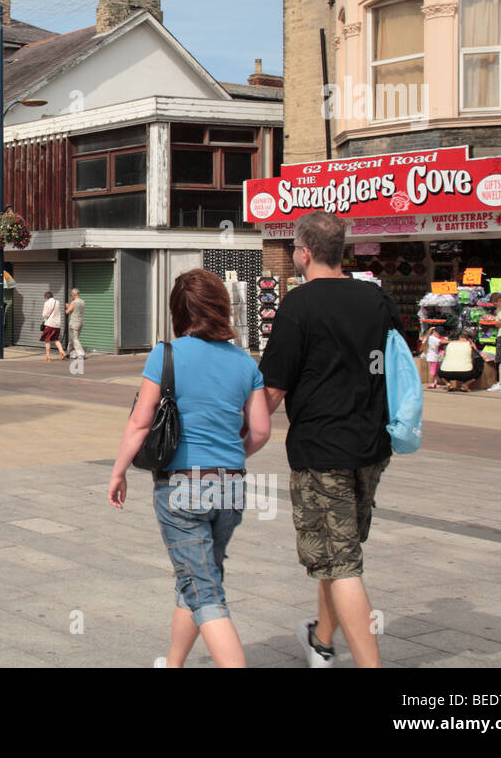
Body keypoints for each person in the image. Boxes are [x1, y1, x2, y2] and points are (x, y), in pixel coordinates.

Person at [108, 268, 270, 668]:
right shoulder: (244, 362)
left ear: (177, 311)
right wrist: (230, 457)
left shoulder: (166, 355)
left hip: (181, 486)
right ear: (220, 307)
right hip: (230, 485)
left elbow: (140, 422)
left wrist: (118, 472)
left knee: (206, 592)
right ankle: (174, 662)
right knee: (201, 578)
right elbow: (262, 430)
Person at [258, 210, 399, 669]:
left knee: (342, 565)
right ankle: (321, 640)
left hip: (323, 451)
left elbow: (274, 388)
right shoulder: (377, 299)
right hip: (372, 448)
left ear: (303, 252)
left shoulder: (299, 305)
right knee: (341, 548)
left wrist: (241, 437)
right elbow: (396, 364)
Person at [40, 290, 67, 361]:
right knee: (56, 339)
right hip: (57, 324)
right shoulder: (57, 302)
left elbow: (45, 314)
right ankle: (62, 352)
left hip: (49, 324)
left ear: (46, 297)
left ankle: (48, 356)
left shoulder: (46, 303)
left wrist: (45, 317)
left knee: (47, 340)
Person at [66, 288, 86, 359]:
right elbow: (76, 310)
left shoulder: (74, 302)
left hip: (74, 322)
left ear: (74, 294)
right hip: (80, 322)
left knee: (75, 339)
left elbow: (68, 311)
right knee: (72, 339)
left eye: (71, 294)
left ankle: (82, 354)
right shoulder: (83, 302)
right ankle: (68, 352)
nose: (71, 296)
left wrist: (68, 307)